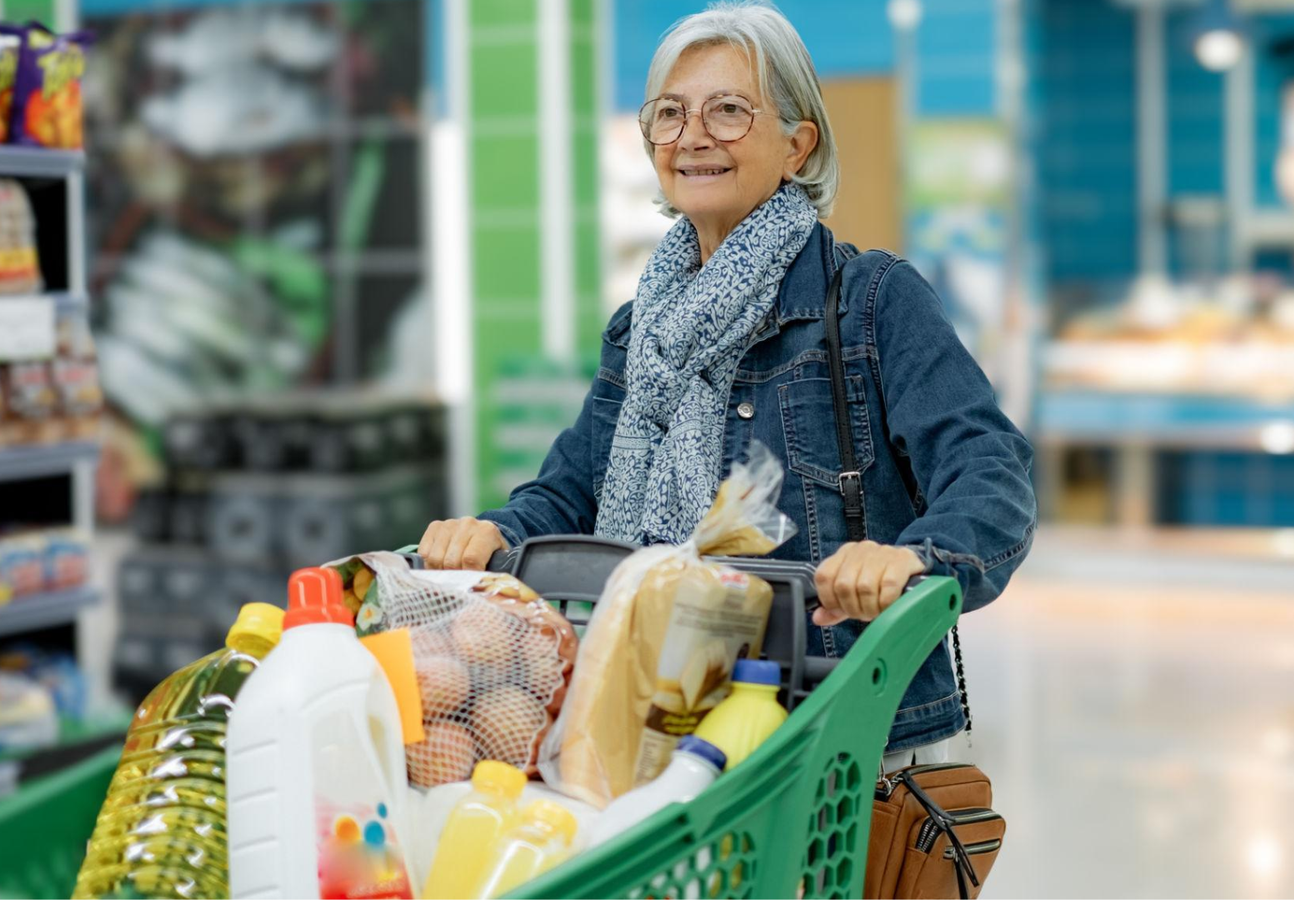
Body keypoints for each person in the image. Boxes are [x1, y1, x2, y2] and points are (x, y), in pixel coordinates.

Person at [419, 0, 1036, 765]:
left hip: (835, 738)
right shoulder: (642, 328)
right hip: (653, 724)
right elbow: (571, 490)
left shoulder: (871, 302)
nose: (693, 135)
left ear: (798, 146)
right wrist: (496, 530)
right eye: (670, 113)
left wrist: (913, 558)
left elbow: (991, 475)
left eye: (730, 111)